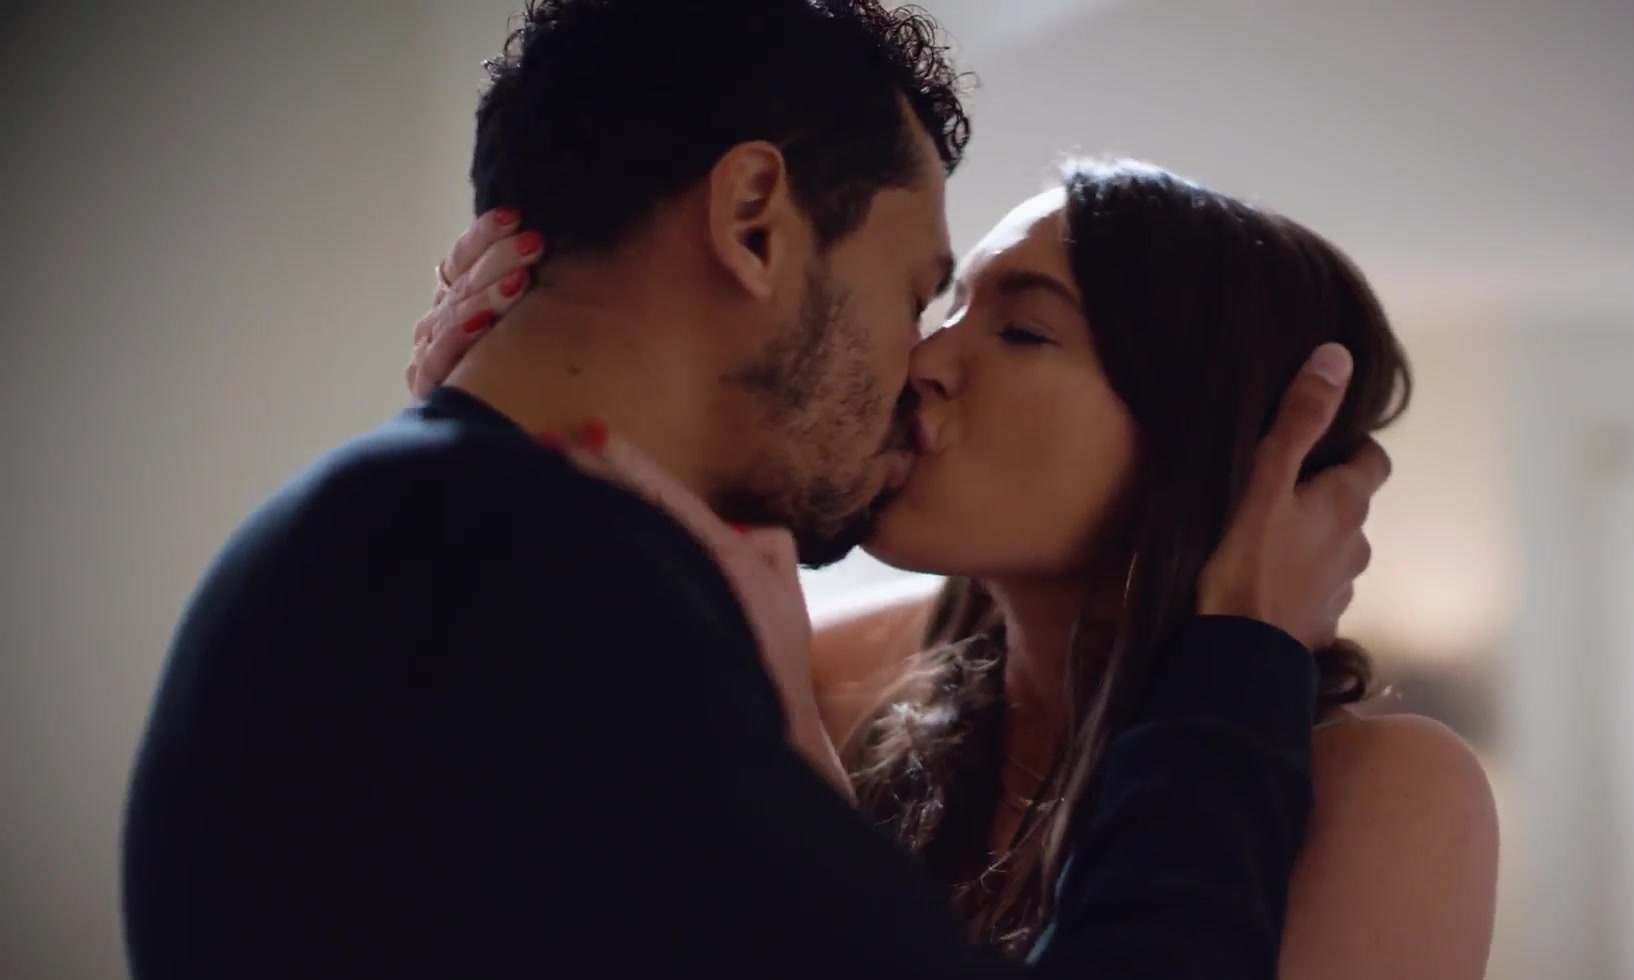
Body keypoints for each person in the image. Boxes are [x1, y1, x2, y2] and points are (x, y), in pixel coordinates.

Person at [122, 3, 1391, 979]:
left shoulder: (433, 545)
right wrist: (1239, 657)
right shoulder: (542, 600)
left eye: (1014, 327)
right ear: (752, 219)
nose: (918, 361)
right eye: (917, 293)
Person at [419, 160, 1500, 976]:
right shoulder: (832, 671)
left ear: (1205, 436)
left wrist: (792, 765)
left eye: (1024, 332)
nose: (925, 361)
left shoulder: (1385, 793)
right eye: (945, 309)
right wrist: (504, 415)